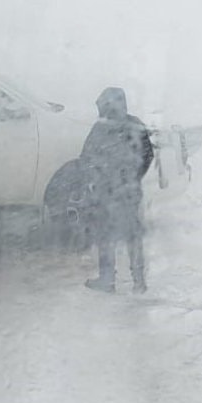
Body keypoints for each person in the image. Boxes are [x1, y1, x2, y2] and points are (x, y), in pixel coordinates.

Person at [80, 87, 154, 294]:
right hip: (129, 190)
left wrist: (95, 181)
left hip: (107, 192)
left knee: (105, 234)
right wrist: (135, 177)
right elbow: (147, 156)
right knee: (133, 235)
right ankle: (138, 281)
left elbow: (86, 159)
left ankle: (107, 279)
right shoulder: (135, 124)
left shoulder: (100, 129)